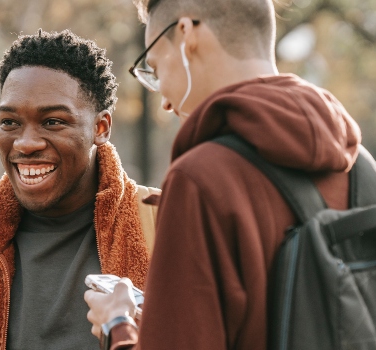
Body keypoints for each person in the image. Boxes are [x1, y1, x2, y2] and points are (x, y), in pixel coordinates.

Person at [84, 0, 370, 349]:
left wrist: (118, 324)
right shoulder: (361, 165)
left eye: (156, 69)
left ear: (187, 34)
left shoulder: (201, 180)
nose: (165, 103)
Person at [0, 30, 159, 350]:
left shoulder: (169, 224)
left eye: (53, 122)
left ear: (100, 128)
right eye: (10, 122)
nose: (26, 143)